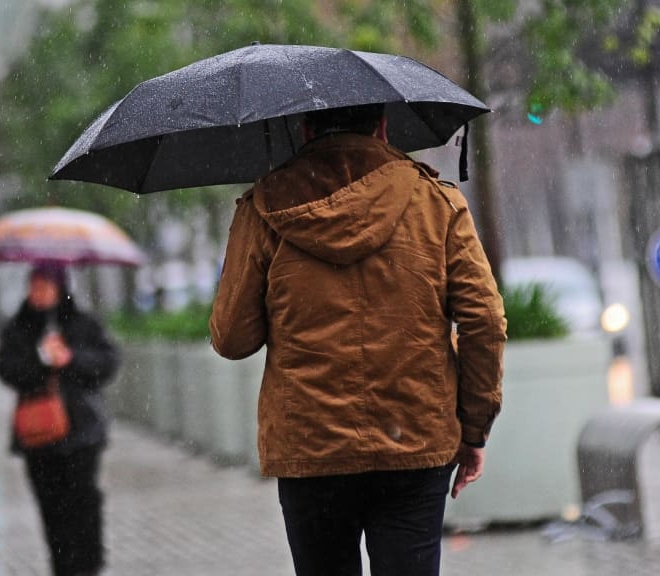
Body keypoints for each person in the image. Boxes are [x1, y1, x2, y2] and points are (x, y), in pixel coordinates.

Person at [209, 103, 506, 576]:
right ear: (383, 126)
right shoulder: (437, 203)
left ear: (304, 129)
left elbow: (232, 338)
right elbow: (485, 321)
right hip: (414, 438)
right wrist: (474, 428)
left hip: (312, 447)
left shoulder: (266, 208)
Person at [0, 263, 119, 576]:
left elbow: (107, 363)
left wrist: (70, 359)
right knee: (52, 509)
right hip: (38, 436)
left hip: (82, 433)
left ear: (60, 288)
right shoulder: (17, 327)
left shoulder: (83, 323)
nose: (38, 292)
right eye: (34, 285)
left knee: (84, 502)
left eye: (46, 285)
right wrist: (40, 359)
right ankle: (63, 567)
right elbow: (7, 371)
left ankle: (88, 565)